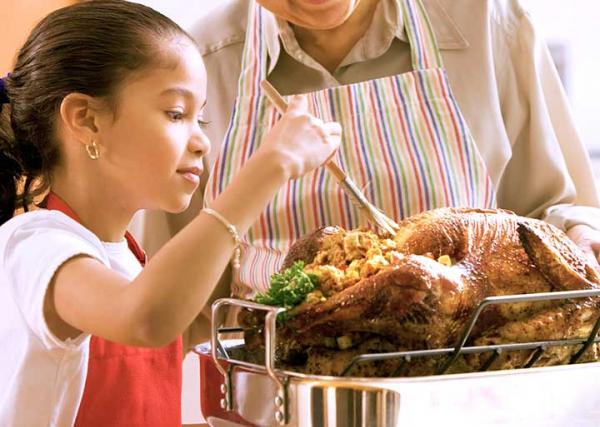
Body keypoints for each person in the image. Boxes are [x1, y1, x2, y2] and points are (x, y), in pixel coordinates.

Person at [135, 0, 600, 345]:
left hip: (471, 388)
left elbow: (550, 215)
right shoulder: (200, 61)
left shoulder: (488, 25)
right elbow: (172, 295)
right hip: (277, 396)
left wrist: (581, 234)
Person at [0, 1, 340, 426]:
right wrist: (269, 168)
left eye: (202, 119)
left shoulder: (126, 257)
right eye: (176, 113)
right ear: (86, 120)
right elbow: (146, 318)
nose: (202, 142)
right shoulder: (35, 245)